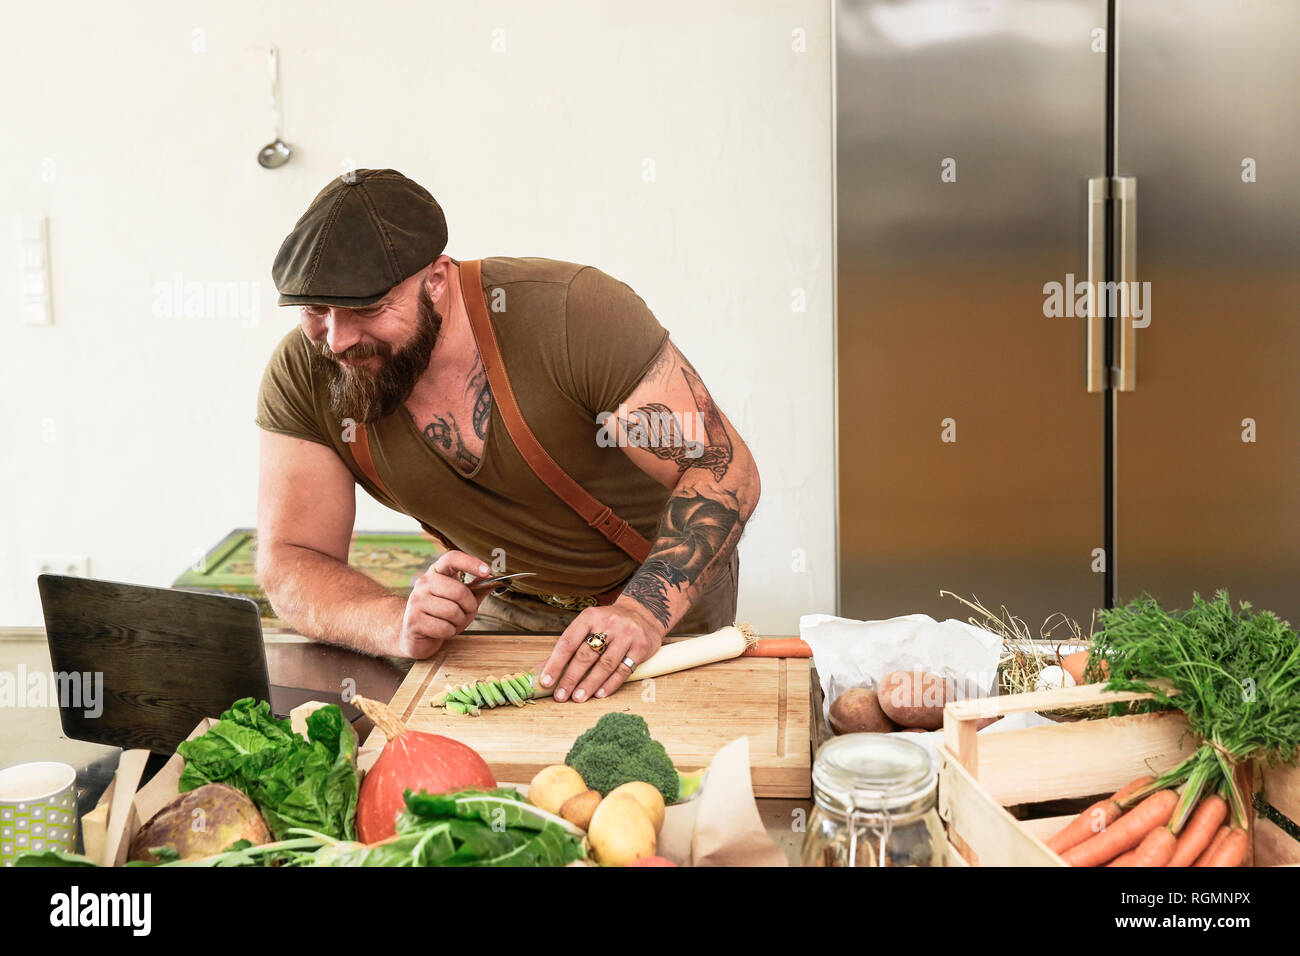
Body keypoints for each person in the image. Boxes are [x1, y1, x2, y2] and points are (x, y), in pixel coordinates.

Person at [255, 169, 760, 705]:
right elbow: (292, 556)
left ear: (436, 279)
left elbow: (725, 468)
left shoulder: (570, 313)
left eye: (367, 309)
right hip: (503, 604)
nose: (337, 340)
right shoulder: (305, 371)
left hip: (655, 593)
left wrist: (642, 611)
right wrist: (394, 622)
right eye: (316, 311)